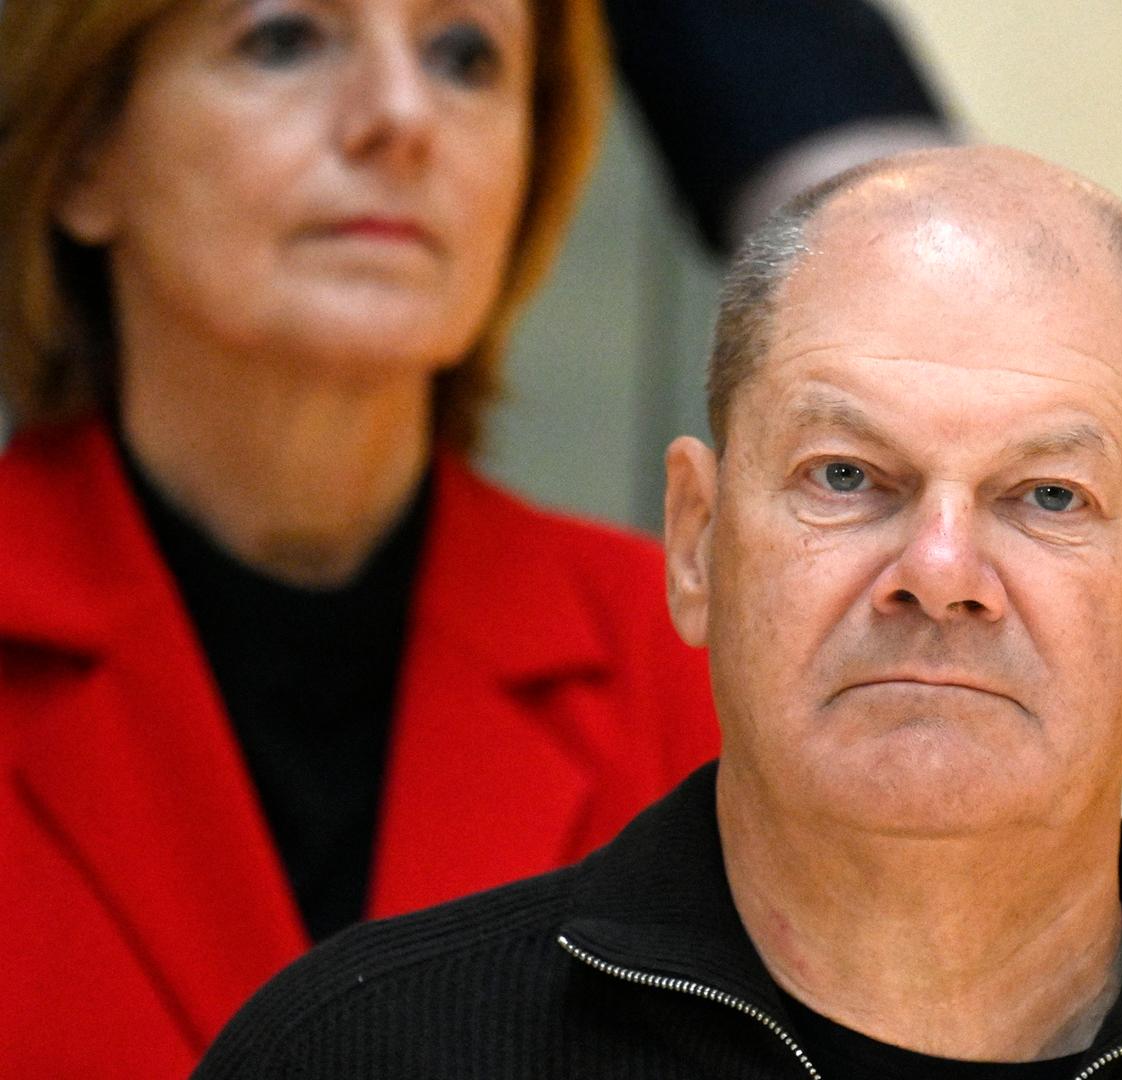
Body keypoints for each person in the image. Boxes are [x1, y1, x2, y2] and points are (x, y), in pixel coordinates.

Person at [194, 146, 1122, 1079]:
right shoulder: (356, 1053)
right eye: (848, 477)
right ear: (697, 543)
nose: (938, 567)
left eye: (1045, 495)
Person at [0, 0, 722, 1073]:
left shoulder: (699, 660)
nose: (400, 116)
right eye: (284, 39)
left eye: (464, 56)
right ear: (84, 153)